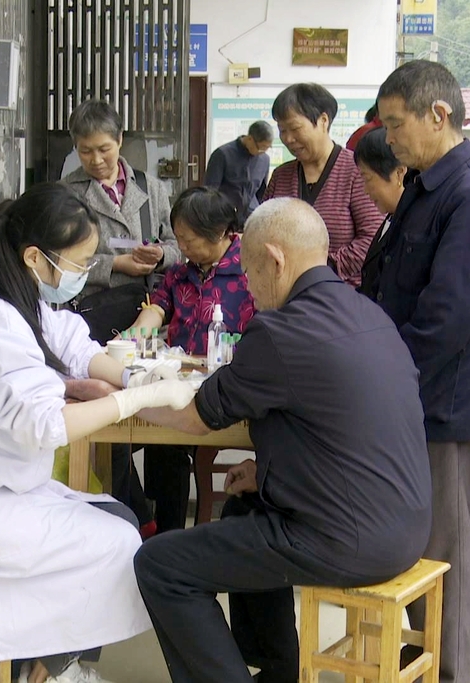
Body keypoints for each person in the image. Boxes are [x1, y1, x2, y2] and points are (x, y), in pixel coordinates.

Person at [0, 183, 197, 683]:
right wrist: (134, 401)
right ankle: (52, 666)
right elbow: (48, 424)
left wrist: (141, 374)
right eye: (78, 264)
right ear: (35, 256)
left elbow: (73, 343)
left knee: (115, 513)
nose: (80, 276)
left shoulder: (10, 290)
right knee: (121, 545)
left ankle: (52, 660)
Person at [132, 198, 432, 683]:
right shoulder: (369, 314)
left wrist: (120, 397)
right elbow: (345, 428)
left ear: (275, 259)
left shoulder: (280, 330)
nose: (247, 285)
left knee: (161, 564)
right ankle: (276, 671)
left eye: (248, 270)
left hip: (343, 539)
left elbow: (194, 417)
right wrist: (270, 470)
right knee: (241, 511)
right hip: (406, 526)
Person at [372, 60, 470, 683]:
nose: (389, 137)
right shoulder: (425, 186)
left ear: (439, 115)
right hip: (414, 401)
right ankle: (420, 660)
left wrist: (381, 376)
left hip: (450, 409)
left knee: (450, 558)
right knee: (420, 552)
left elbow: (447, 318)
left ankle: (451, 672)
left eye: (397, 124)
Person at [63, 99, 183, 532]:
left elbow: (177, 244)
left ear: (120, 143)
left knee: (165, 415)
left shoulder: (151, 188)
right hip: (98, 319)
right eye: (85, 151)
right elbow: (61, 260)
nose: (95, 160)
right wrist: (114, 265)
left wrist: (159, 255)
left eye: (104, 150)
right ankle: (127, 520)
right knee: (111, 416)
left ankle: (168, 525)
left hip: (151, 316)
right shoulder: (69, 192)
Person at [124, 187, 257, 532]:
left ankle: (171, 533)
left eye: (189, 239)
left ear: (221, 233)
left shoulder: (251, 271)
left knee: (170, 436)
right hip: (179, 382)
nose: (181, 248)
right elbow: (157, 309)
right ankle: (158, 528)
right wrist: (131, 338)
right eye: (179, 239)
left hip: (230, 386)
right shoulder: (180, 274)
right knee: (137, 441)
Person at [264, 83, 384, 288]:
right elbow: (263, 230)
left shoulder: (356, 171)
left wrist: (317, 270)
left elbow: (372, 237)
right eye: (282, 130)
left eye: (295, 129)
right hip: (285, 296)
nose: (288, 139)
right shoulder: (280, 175)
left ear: (323, 121)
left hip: (341, 295)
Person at [353, 127, 407, 297]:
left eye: (367, 178)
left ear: (399, 173)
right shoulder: (391, 218)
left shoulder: (412, 226)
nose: (365, 190)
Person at [204, 121, 274, 222]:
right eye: (260, 148)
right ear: (249, 138)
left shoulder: (264, 159)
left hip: (251, 219)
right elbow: (210, 191)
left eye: (267, 149)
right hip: (225, 218)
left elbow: (261, 193)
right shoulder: (222, 154)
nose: (262, 152)